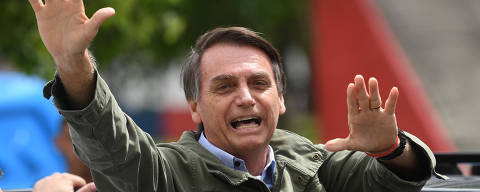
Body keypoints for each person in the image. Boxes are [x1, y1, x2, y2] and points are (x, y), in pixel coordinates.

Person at [28, 0, 441, 191]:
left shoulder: (312, 163)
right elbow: (111, 147)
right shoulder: (165, 174)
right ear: (195, 106)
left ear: (280, 100)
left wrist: (390, 148)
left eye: (259, 84)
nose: (245, 97)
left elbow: (397, 180)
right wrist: (71, 60)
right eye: (224, 86)